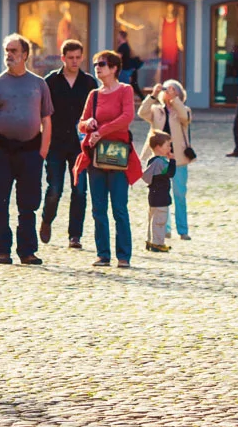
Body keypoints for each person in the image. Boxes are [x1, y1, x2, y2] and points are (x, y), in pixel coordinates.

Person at [0, 34, 52, 266]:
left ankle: (27, 251)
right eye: (7, 50)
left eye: (14, 51)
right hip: (2, 150)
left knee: (28, 204)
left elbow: (46, 120)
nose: (9, 55)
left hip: (31, 152)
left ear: (25, 55)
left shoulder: (39, 84)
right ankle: (2, 251)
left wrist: (43, 153)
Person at [74, 49, 140, 268]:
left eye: (102, 64)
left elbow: (127, 117)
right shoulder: (94, 95)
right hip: (97, 157)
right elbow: (81, 123)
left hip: (119, 155)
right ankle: (103, 254)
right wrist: (89, 124)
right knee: (98, 208)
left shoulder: (125, 90)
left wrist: (100, 131)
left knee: (119, 208)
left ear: (114, 68)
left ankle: (124, 256)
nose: (97, 68)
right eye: (95, 64)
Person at [40, 39, 96, 248]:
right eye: (70, 58)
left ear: (82, 57)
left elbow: (94, 111)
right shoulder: (51, 81)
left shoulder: (89, 83)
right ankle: (47, 220)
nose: (74, 61)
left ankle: (75, 235)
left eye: (77, 57)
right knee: (54, 189)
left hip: (80, 145)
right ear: (62, 58)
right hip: (55, 143)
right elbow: (42, 112)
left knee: (80, 190)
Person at [138, 79, 194, 240]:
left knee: (179, 194)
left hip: (178, 158)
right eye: (167, 90)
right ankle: (165, 228)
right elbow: (142, 112)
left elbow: (185, 118)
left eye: (173, 90)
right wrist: (153, 95)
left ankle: (183, 230)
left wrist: (175, 100)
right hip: (158, 159)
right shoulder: (156, 110)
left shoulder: (183, 110)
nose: (168, 93)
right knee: (161, 193)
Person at [142, 131, 175, 252]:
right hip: (161, 197)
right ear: (158, 147)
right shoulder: (160, 162)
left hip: (153, 196)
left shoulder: (152, 161)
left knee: (153, 219)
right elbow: (170, 173)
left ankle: (150, 241)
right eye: (167, 145)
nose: (169, 148)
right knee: (160, 221)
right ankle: (158, 243)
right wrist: (173, 161)